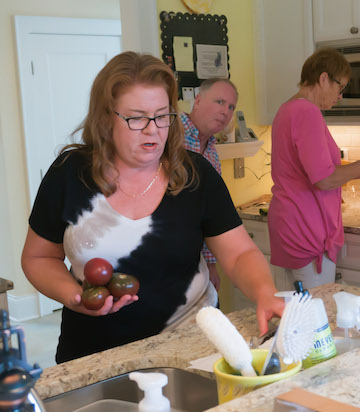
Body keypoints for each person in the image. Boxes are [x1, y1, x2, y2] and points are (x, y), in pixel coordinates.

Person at [21, 52, 284, 363]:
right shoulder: (69, 173)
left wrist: (265, 293)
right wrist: (74, 296)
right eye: (136, 117)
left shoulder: (195, 174)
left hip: (190, 344)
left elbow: (239, 253)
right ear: (106, 118)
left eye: (162, 116)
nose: (153, 129)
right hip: (95, 355)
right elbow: (38, 257)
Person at [268, 47, 360, 290]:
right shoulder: (307, 112)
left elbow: (312, 167)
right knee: (316, 316)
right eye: (340, 87)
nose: (340, 95)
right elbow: (323, 179)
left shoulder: (287, 109)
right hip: (306, 230)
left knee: (294, 314)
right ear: (323, 79)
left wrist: (358, 172)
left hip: (288, 226)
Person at [181, 78, 239, 291]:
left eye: (231, 107)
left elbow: (209, 214)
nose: (226, 111)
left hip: (198, 263)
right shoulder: (168, 134)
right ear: (197, 101)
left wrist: (211, 265)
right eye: (219, 102)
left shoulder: (212, 152)